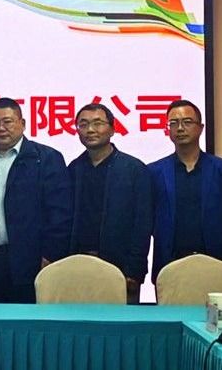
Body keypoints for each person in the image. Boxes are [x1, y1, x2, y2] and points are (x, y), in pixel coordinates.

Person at [0, 97, 72, 303]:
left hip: (30, 260)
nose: (1, 128)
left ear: (22, 124)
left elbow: (60, 213)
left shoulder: (46, 159)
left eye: (7, 121)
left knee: (27, 318)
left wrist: (51, 255)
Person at [149, 99, 222, 282]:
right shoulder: (154, 172)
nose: (180, 128)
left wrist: (220, 243)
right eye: (173, 123)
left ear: (201, 128)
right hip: (169, 264)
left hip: (215, 262)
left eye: (187, 122)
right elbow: (148, 217)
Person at [69, 103, 153, 303]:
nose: (90, 130)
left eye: (98, 123)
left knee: (122, 321)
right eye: (83, 124)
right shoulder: (73, 170)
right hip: (78, 266)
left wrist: (134, 270)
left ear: (113, 129)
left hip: (121, 269)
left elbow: (143, 224)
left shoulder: (134, 170)